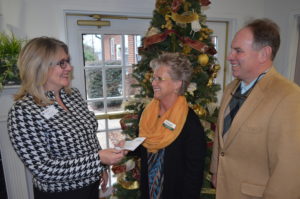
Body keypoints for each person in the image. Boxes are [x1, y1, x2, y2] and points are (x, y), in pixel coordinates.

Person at [7, 37, 125, 199]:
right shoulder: (24, 111)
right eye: (62, 63)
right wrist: (97, 160)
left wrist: (101, 167)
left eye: (68, 61)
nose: (69, 67)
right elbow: (44, 170)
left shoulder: (73, 96)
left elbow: (88, 136)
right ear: (39, 67)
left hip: (90, 186)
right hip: (61, 194)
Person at [210, 18, 300, 199]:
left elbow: (289, 168)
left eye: (238, 51)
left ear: (264, 53)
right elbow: (222, 142)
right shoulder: (231, 88)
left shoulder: (289, 96)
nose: (229, 56)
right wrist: (215, 170)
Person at [135, 52, 206, 199]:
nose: (153, 83)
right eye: (154, 78)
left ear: (177, 84)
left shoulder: (190, 123)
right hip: (148, 192)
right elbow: (143, 146)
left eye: (159, 79)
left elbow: (194, 174)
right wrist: (127, 148)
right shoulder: (147, 114)